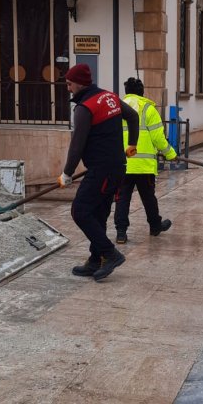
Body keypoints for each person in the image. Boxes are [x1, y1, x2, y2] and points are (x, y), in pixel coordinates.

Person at [58, 64, 140, 282]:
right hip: (117, 167)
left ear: (79, 83)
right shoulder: (109, 97)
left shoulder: (85, 108)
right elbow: (133, 117)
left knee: (80, 211)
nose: (68, 88)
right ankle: (95, 260)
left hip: (101, 170)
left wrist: (67, 173)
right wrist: (132, 144)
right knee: (98, 214)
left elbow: (78, 144)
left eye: (69, 84)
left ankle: (110, 254)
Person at [114, 77, 177, 244]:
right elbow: (158, 138)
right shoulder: (148, 109)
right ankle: (155, 226)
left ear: (126, 92)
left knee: (122, 198)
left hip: (123, 164)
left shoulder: (117, 109)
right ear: (142, 93)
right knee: (148, 197)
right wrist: (171, 154)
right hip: (143, 166)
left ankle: (121, 233)